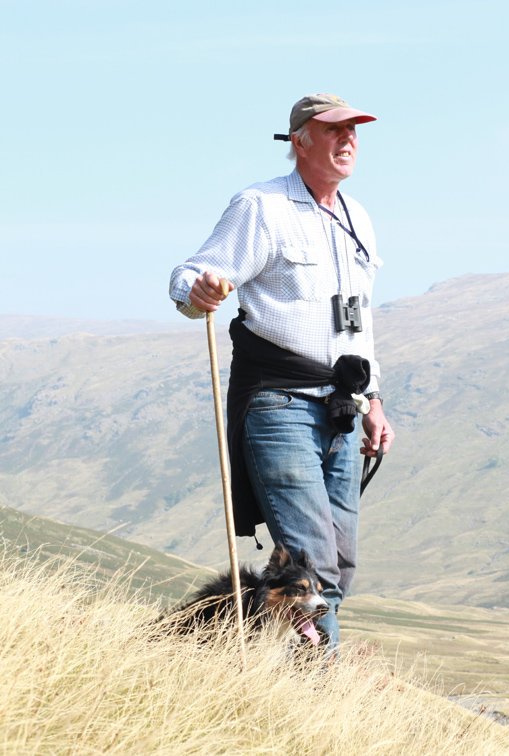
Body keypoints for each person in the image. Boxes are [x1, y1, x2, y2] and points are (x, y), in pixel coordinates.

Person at [169, 93, 395, 647]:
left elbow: (359, 323)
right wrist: (197, 291)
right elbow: (193, 273)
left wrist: (375, 402)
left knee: (338, 563)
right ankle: (323, 689)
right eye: (334, 131)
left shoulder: (357, 216)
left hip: (345, 407)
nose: (348, 141)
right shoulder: (261, 206)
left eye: (355, 132)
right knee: (311, 557)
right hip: (281, 403)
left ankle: (299, 678)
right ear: (300, 140)